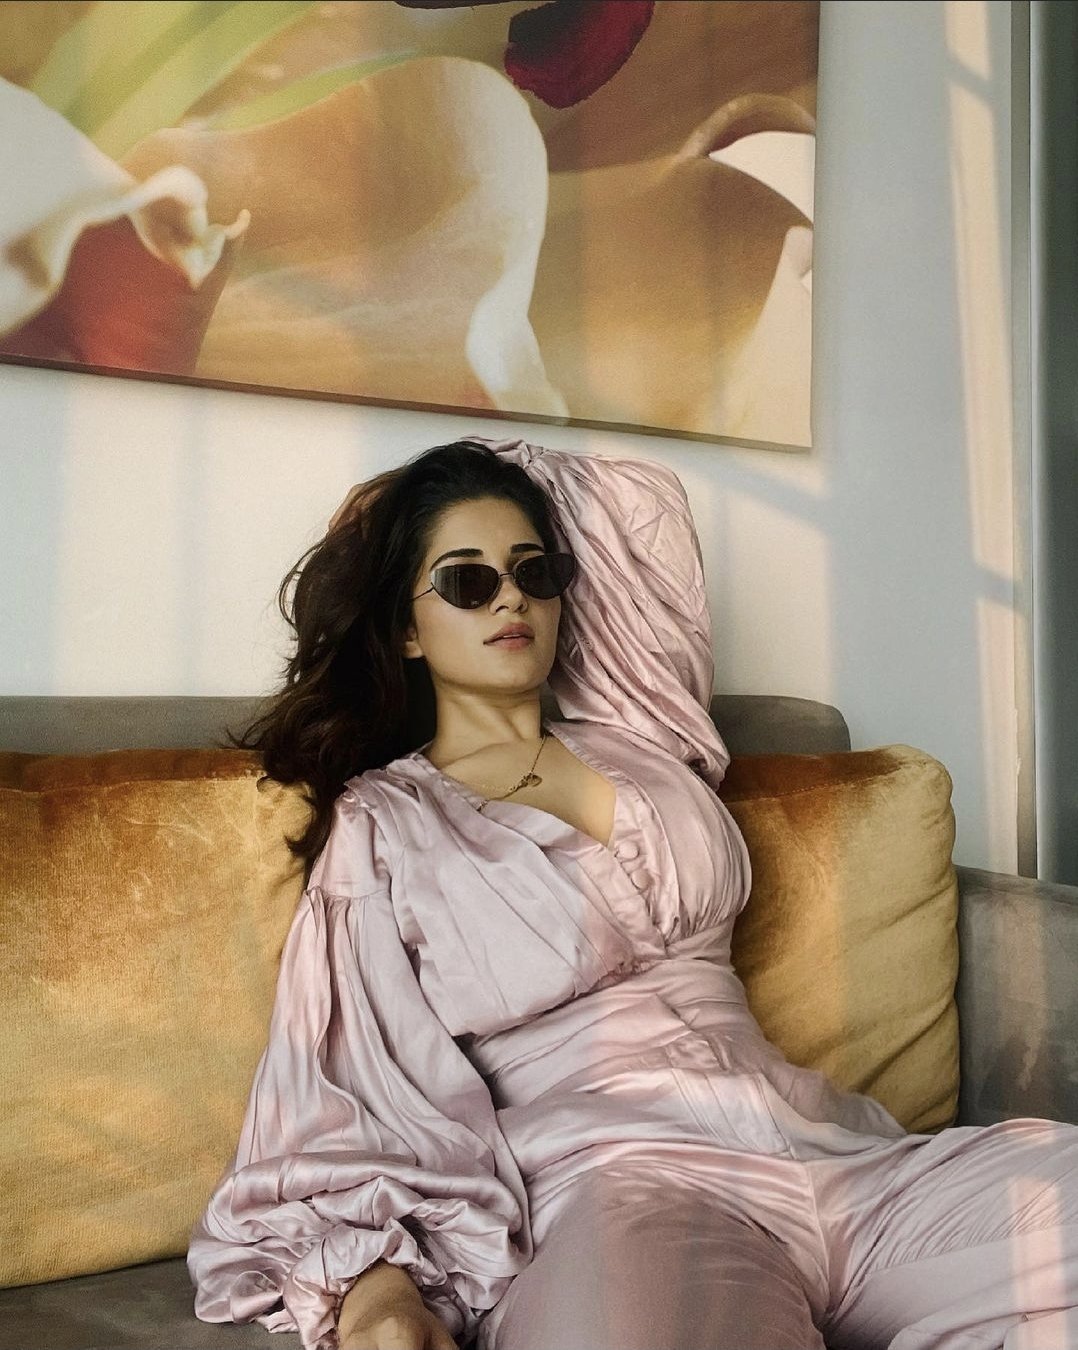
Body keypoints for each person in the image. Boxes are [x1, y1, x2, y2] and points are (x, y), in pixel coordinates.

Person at [188, 436, 1078, 1350]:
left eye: (535, 572)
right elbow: (340, 1088)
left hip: (836, 1157)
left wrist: (482, 471)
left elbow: (635, 506)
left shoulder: (644, 734)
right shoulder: (385, 822)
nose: (511, 598)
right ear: (407, 630)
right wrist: (378, 1291)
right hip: (627, 1188)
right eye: (466, 581)